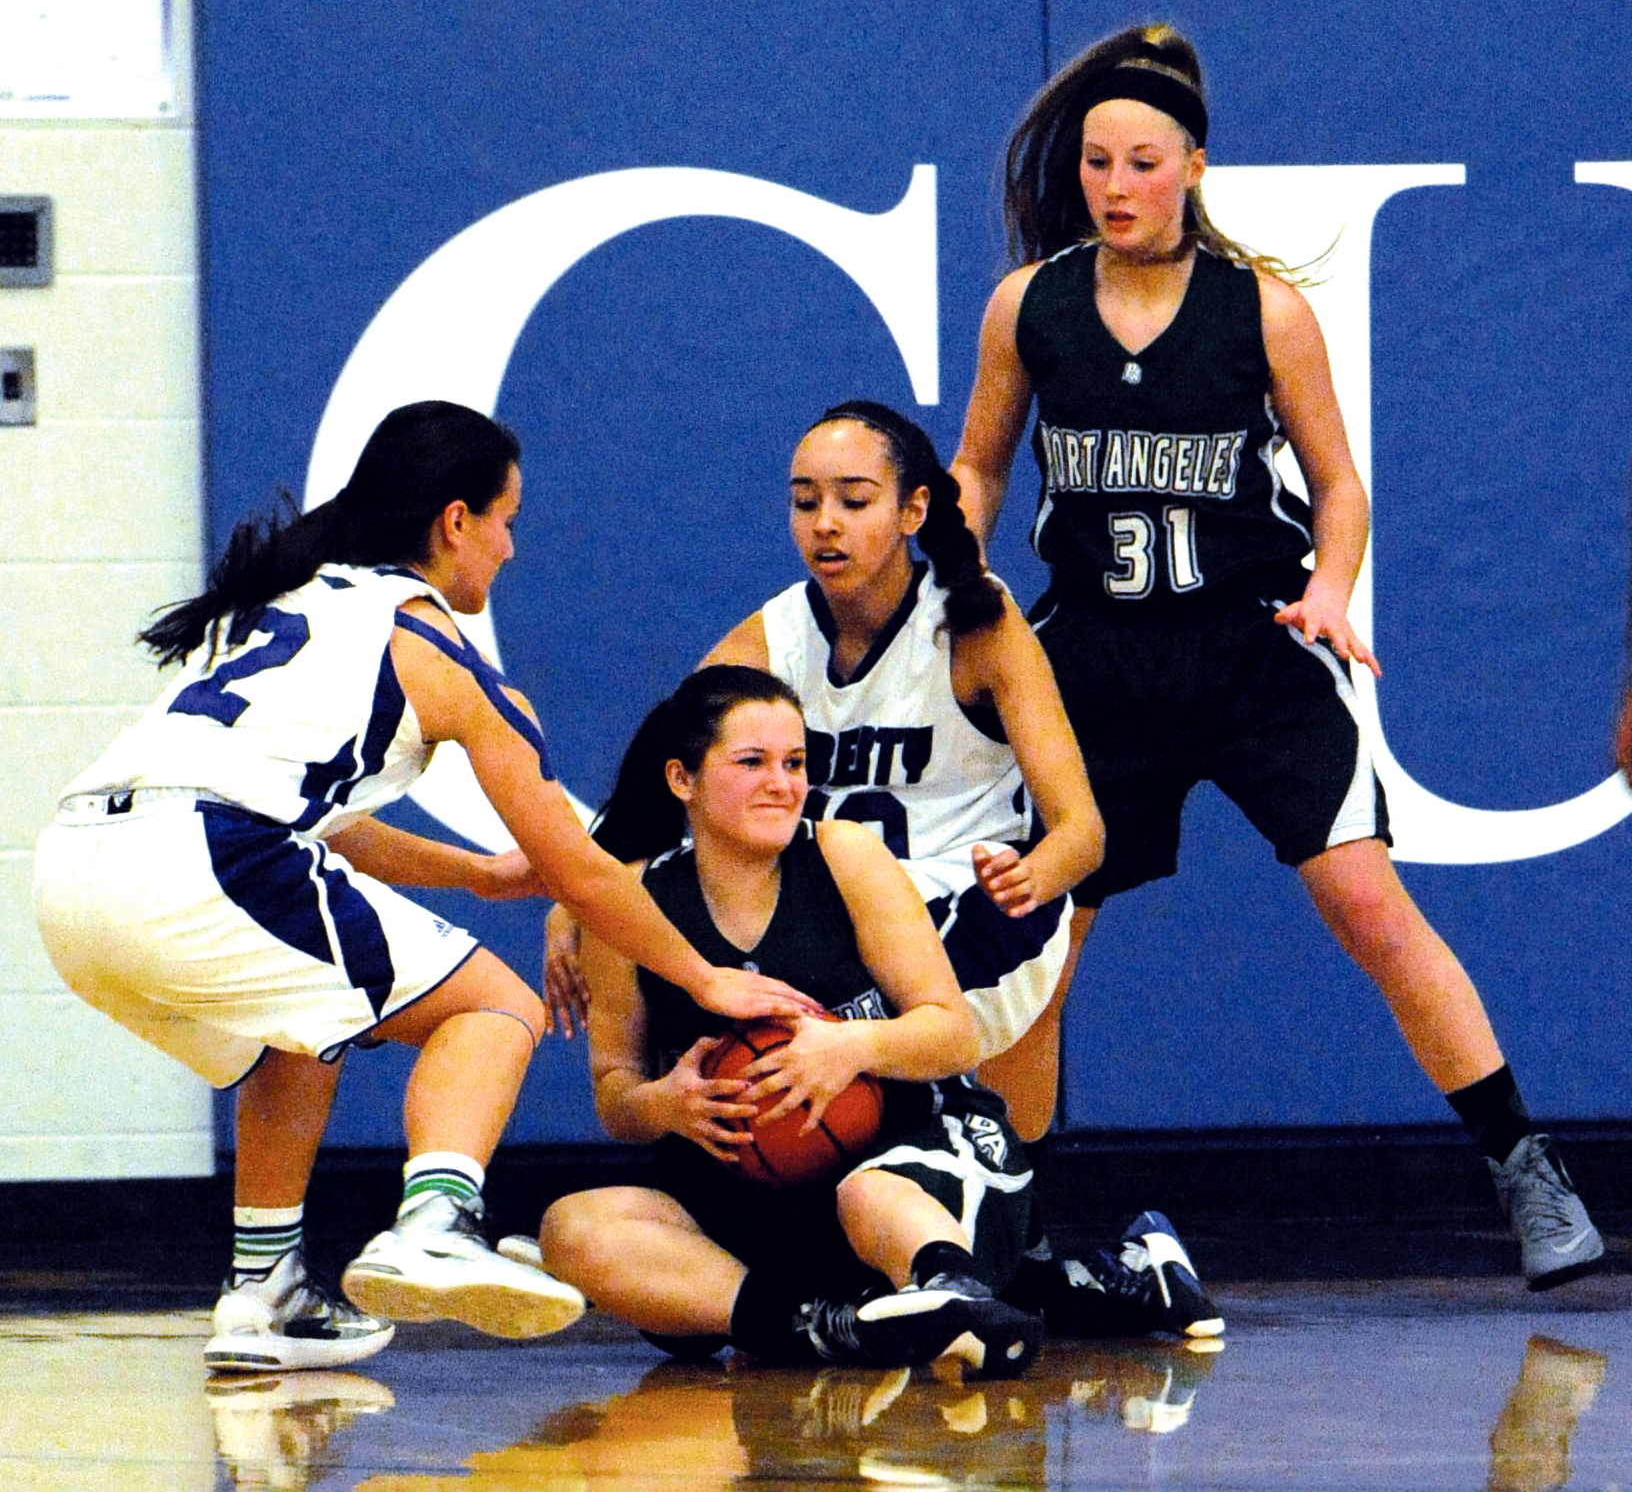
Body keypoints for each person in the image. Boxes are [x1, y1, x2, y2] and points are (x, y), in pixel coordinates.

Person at [948, 22, 1604, 1290]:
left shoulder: (1264, 311)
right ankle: (1005, 1208)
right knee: (1042, 935)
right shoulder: (1028, 305)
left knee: (1366, 899)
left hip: (1252, 645)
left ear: (1192, 166)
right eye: (1096, 162)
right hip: (1092, 660)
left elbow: (1339, 483)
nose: (1116, 182)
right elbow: (978, 459)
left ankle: (1525, 1160)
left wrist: (1329, 583)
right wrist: (962, 551)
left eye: (1143, 160)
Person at [32, 400, 820, 1374]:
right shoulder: (433, 645)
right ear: (457, 521)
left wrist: (478, 874)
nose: (510, 547)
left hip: (73, 870)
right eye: (508, 520)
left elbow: (322, 820)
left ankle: (264, 1288)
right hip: (204, 856)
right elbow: (579, 866)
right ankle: (435, 1221)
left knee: (301, 1032)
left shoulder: (283, 601)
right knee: (496, 1005)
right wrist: (708, 978)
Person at [542, 399, 1221, 1338]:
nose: (825, 523)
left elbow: (1083, 833)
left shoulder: (977, 627)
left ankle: (966, 1241)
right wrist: (574, 906)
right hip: (827, 923)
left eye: (853, 500)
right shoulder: (770, 638)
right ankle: (1018, 1278)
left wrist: (1034, 877)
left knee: (833, 1035)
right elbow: (660, 778)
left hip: (973, 917)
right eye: (805, 501)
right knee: (733, 1014)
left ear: (910, 511)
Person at [540, 665, 1047, 1377]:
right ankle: (817, 1326)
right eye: (753, 763)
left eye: (796, 762)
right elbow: (614, 1095)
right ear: (682, 780)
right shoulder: (628, 906)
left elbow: (953, 1031)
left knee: (868, 1193)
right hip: (755, 1199)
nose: (782, 782)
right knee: (573, 1229)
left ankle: (949, 1292)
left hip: (911, 1156)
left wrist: (850, 1046)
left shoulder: (845, 856)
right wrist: (666, 1103)